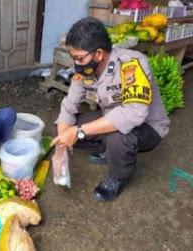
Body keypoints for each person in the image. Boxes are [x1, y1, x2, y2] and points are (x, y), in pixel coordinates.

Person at [50, 17, 170, 202]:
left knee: (119, 136)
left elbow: (133, 113)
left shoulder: (131, 64)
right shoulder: (85, 71)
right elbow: (69, 105)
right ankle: (109, 151)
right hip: (109, 117)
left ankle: (118, 176)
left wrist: (79, 131)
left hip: (148, 127)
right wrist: (61, 147)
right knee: (59, 131)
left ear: (98, 53)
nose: (77, 64)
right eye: (75, 58)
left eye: (80, 58)